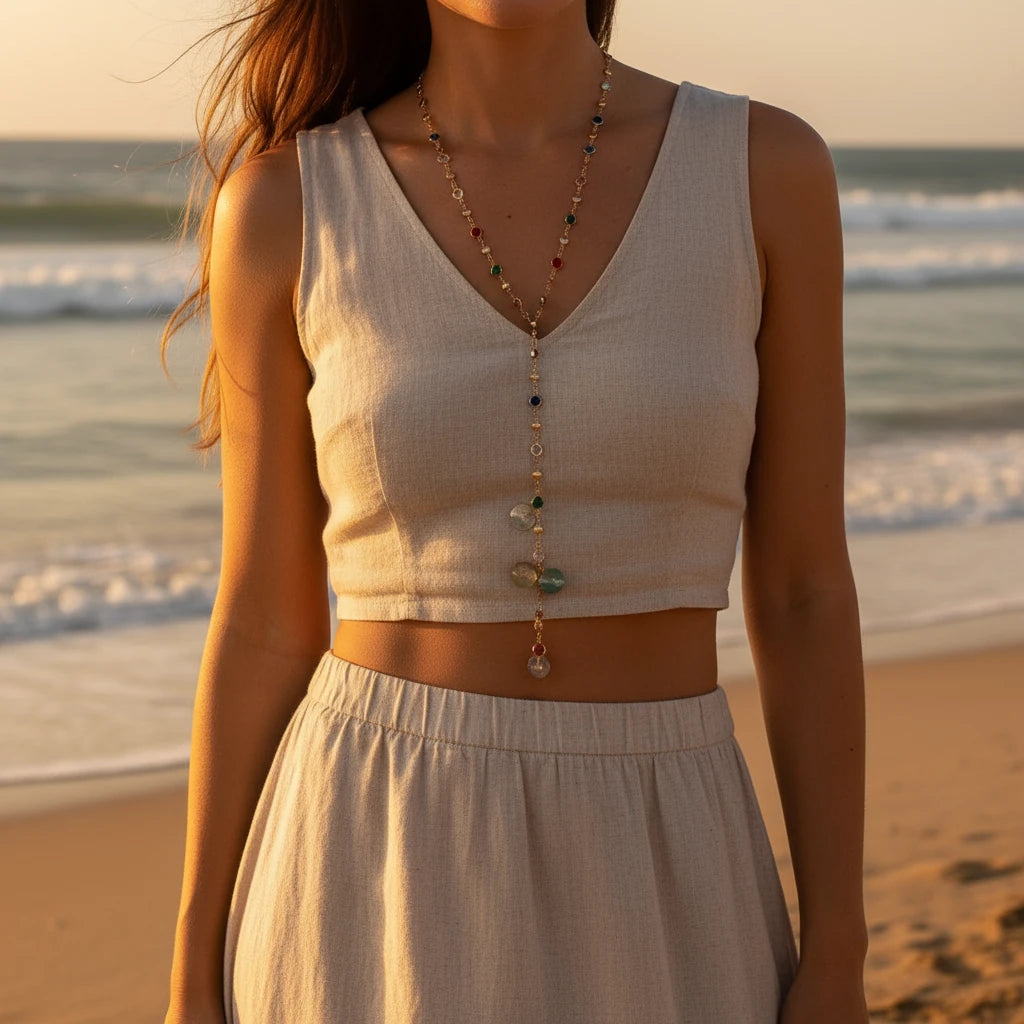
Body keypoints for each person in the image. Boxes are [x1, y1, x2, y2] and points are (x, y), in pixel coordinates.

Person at [162, 1, 869, 1021]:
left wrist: (837, 943)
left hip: (668, 834)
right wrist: (194, 964)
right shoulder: (285, 202)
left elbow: (804, 592)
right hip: (371, 837)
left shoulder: (764, 170)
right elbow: (263, 618)